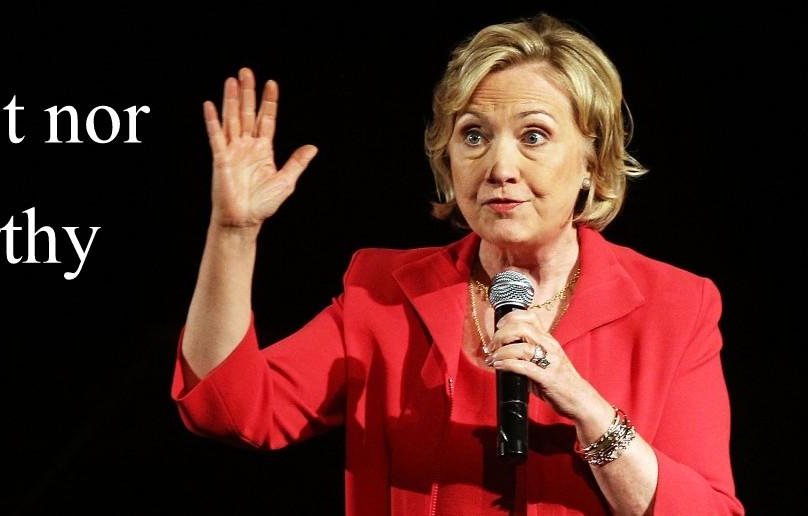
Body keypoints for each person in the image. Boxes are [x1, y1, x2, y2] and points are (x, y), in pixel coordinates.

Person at [169, 12, 743, 516]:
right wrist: (233, 233)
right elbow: (229, 409)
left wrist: (587, 408)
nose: (500, 167)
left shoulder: (676, 306)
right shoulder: (383, 293)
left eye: (534, 136)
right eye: (473, 136)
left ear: (593, 160)